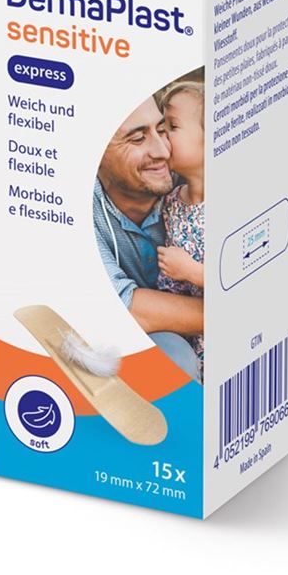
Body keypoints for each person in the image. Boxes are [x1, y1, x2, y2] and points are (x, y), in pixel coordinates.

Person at [94, 95, 203, 380]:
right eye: (138, 138)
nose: (163, 151)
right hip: (116, 343)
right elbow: (124, 309)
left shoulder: (191, 182)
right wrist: (241, 310)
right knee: (173, 354)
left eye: (163, 129)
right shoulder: (76, 209)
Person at [156, 82, 205, 380]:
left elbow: (241, 281)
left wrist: (190, 271)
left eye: (172, 126)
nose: (162, 136)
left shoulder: (235, 205)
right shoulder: (172, 201)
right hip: (182, 340)